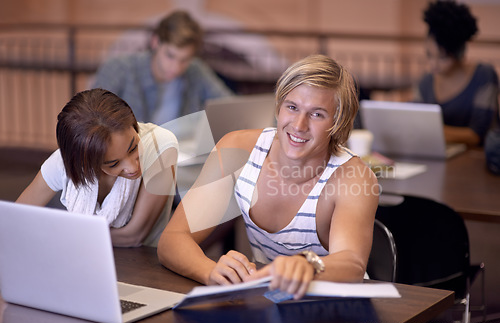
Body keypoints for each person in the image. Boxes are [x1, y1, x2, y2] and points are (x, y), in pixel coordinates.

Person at [157, 54, 379, 300]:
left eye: (317, 114)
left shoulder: (354, 176)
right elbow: (173, 239)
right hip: (266, 302)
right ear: (278, 107)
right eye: (292, 107)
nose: (299, 125)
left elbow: (352, 264)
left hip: (332, 308)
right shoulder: (237, 149)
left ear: (337, 122)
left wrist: (308, 265)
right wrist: (212, 273)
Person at [16, 88, 178, 247]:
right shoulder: (66, 162)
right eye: (113, 163)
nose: (132, 167)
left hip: (144, 263)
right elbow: (16, 219)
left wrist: (63, 235)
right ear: (86, 163)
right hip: (83, 258)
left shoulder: (160, 145)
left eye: (133, 147)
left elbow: (134, 236)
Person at [92, 10, 232, 126]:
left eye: (185, 60)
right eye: (170, 56)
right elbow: (92, 117)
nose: (176, 67)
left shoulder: (195, 70)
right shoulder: (118, 68)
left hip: (181, 154)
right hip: (133, 154)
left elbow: (229, 104)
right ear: (155, 42)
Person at [414, 0, 499, 147]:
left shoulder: (484, 76)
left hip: (476, 161)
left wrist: (429, 131)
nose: (433, 64)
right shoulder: (426, 82)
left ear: (459, 54)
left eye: (442, 58)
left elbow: (477, 134)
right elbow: (415, 121)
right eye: (429, 54)